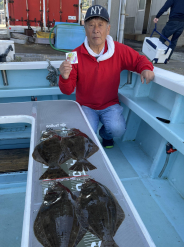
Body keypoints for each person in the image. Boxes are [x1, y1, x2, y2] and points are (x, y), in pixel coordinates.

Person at [59, 5, 154, 148]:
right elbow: (67, 90)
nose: (96, 30)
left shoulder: (119, 50)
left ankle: (106, 135)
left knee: (117, 129)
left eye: (100, 25)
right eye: (91, 25)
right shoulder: (74, 55)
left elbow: (139, 59)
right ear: (85, 29)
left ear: (108, 29)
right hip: (86, 105)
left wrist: (146, 68)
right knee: (84, 133)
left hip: (110, 104)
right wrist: (64, 77)